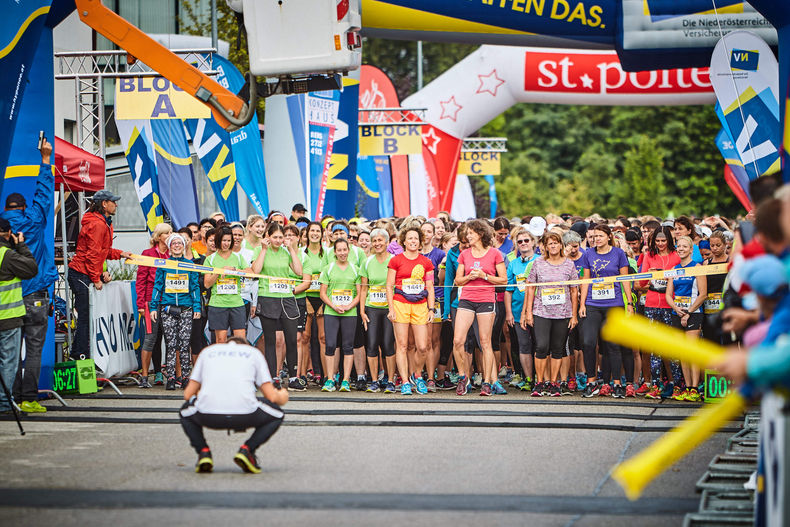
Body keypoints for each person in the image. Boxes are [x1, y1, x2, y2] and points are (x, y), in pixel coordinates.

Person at [3, 138, 58, 413]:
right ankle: (29, 398)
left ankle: (10, 399)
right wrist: (45, 160)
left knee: (9, 352)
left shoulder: (2, 228)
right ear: (23, 207)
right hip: (36, 294)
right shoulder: (34, 219)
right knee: (34, 348)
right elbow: (44, 193)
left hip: (9, 300)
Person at [179, 337, 289, 474]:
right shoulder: (254, 353)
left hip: (208, 415)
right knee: (277, 414)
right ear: (246, 346)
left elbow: (188, 395)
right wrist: (283, 396)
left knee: (185, 411)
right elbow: (271, 396)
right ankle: (247, 450)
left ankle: (203, 451)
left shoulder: (208, 352)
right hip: (245, 414)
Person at [67, 190, 132, 360]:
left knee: (89, 317)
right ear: (104, 204)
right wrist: (96, 278)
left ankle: (84, 353)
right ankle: (79, 355)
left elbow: (103, 251)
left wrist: (121, 253)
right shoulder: (97, 224)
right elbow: (93, 254)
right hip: (80, 273)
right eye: (113, 201)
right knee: (85, 317)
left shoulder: (104, 222)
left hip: (84, 272)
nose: (116, 204)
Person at [452, 219, 507, 396]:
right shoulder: (464, 254)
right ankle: (463, 377)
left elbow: (503, 280)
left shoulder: (495, 254)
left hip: (486, 299)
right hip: (467, 299)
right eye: (467, 233)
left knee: (485, 342)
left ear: (480, 234)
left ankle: (487, 382)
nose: (468, 236)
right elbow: (457, 280)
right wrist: (469, 277)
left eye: (471, 233)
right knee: (458, 340)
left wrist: (484, 276)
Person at [578, 224, 633, 398]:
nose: (596, 239)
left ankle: (617, 383)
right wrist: (582, 304)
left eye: (600, 236)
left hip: (614, 303)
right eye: (594, 236)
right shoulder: (588, 254)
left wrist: (629, 303)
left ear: (609, 236)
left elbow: (625, 279)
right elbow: (586, 280)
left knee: (613, 344)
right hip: (593, 303)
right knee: (588, 342)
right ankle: (591, 381)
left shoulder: (619, 254)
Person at [523, 231, 578, 397]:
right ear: (545, 247)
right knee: (541, 346)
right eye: (550, 244)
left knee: (557, 348)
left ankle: (554, 383)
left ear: (561, 245)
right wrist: (528, 313)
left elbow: (574, 290)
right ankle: (540, 382)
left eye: (556, 243)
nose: (553, 246)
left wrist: (574, 315)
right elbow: (530, 287)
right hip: (541, 311)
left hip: (562, 313)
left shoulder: (569, 265)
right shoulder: (538, 263)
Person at [251, 223, 305, 390]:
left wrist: (291, 250)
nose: (278, 240)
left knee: (291, 338)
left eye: (281, 237)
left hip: (286, 298)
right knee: (271, 340)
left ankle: (294, 377)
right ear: (268, 237)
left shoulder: (286, 252)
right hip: (267, 297)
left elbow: (299, 272)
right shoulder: (259, 250)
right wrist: (264, 250)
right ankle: (272, 376)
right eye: (275, 237)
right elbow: (256, 270)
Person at [387, 223, 435, 395]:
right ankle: (405, 381)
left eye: (416, 238)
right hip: (400, 303)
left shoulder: (426, 262)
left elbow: (430, 286)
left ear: (420, 241)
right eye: (410, 238)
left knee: (422, 346)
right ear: (404, 241)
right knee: (402, 345)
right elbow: (389, 285)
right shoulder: (396, 260)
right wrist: (391, 308)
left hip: (420, 305)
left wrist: (431, 309)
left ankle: (417, 375)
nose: (413, 241)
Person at [150, 234, 202, 391]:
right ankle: (171, 377)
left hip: (186, 308)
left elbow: (194, 287)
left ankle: (186, 377)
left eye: (180, 243)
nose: (177, 245)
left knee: (185, 344)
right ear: (170, 246)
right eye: (174, 243)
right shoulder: (164, 264)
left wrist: (197, 307)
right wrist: (153, 307)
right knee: (171, 344)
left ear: (184, 245)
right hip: (167, 309)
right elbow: (158, 286)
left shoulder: (190, 264)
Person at [638, 226, 683, 399]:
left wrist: (668, 277)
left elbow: (684, 277)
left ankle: (677, 384)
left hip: (670, 304)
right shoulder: (649, 256)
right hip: (651, 303)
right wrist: (649, 275)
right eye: (657, 241)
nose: (660, 244)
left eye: (663, 241)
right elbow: (640, 282)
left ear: (669, 241)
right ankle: (656, 385)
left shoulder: (676, 256)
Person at [0, 220, 38, 415]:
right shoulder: (7, 255)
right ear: (7, 234)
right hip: (8, 318)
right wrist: (21, 245)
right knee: (8, 362)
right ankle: (4, 404)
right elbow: (31, 268)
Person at [665, 235, 707, 402]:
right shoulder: (674, 269)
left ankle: (695, 388)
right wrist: (677, 309)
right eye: (679, 246)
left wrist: (688, 312)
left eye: (684, 246)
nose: (681, 249)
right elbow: (669, 295)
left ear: (691, 249)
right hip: (677, 312)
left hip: (694, 313)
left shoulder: (697, 267)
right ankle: (687, 387)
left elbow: (703, 294)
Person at [319, 238, 362, 392]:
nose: (342, 253)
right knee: (330, 345)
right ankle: (330, 379)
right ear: (335, 252)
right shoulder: (328, 268)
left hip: (350, 313)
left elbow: (360, 293)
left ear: (348, 251)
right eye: (339, 250)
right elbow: (323, 293)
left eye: (345, 250)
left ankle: (345, 380)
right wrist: (333, 306)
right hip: (332, 312)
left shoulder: (356, 269)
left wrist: (350, 306)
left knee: (347, 346)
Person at [136, 222, 172, 388]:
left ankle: (170, 375)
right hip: (151, 302)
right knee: (150, 339)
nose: (170, 235)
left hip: (169, 302)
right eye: (166, 233)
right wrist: (141, 305)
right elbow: (141, 281)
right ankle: (144, 376)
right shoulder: (148, 254)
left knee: (171, 339)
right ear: (158, 237)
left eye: (171, 232)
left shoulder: (172, 255)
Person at [360, 228, 394, 393]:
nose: (377, 244)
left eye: (380, 240)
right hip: (372, 307)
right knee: (372, 344)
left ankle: (390, 380)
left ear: (387, 242)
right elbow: (363, 289)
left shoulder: (394, 260)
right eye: (375, 241)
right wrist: (362, 311)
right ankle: (374, 380)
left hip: (390, 308)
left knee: (388, 345)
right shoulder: (367, 261)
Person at [204, 226, 250, 344]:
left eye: (229, 241)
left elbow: (250, 274)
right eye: (224, 240)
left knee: (241, 340)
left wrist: (235, 270)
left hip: (237, 303)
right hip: (218, 304)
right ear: (218, 240)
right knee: (221, 340)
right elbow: (207, 284)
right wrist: (220, 271)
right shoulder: (210, 259)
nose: (226, 243)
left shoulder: (238, 257)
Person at [505, 229, 538, 392]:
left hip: (540, 311)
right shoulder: (513, 264)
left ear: (533, 242)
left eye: (526, 240)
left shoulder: (541, 260)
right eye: (520, 242)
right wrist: (509, 313)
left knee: (540, 345)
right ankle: (528, 378)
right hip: (518, 311)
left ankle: (542, 378)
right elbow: (508, 290)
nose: (523, 244)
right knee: (524, 345)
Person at [420, 220, 445, 392]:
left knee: (434, 340)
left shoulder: (439, 254)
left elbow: (442, 279)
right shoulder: (414, 252)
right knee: (420, 341)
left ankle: (431, 376)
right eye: (424, 231)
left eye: (430, 231)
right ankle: (418, 373)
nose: (427, 234)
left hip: (435, 300)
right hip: (415, 300)